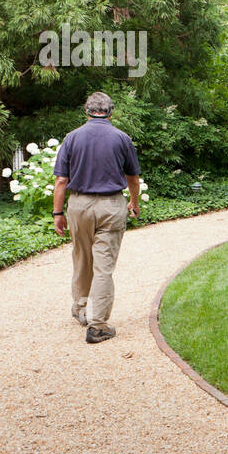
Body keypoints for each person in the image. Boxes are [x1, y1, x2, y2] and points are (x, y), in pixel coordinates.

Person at [51, 92, 142, 344]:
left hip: (78, 205)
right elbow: (132, 178)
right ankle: (98, 325)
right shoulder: (122, 138)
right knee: (104, 266)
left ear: (86, 111)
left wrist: (58, 213)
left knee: (81, 257)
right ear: (111, 112)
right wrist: (134, 202)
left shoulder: (72, 138)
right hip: (111, 205)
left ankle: (81, 308)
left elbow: (61, 180)